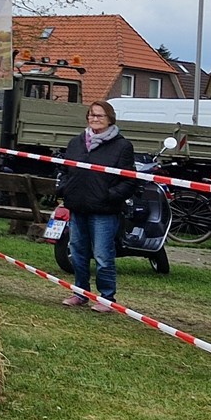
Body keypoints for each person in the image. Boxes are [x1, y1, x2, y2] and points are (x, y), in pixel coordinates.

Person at [57, 99, 135, 311]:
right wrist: (64, 189)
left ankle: (107, 298)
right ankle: (80, 293)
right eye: (92, 114)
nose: (95, 119)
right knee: (77, 252)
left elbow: (129, 180)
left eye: (100, 115)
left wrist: (108, 196)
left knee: (102, 255)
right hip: (77, 206)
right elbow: (64, 170)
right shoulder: (76, 143)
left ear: (110, 119)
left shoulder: (122, 146)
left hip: (104, 211)